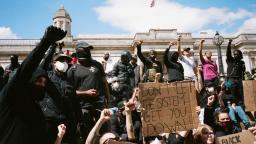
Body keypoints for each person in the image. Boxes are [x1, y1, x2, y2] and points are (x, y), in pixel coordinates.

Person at [0, 26, 67, 144]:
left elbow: (42, 67)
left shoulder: (36, 109)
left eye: (44, 83)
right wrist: (45, 43)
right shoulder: (10, 98)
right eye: (38, 81)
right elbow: (26, 69)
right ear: (28, 81)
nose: (41, 85)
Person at [67, 41, 110, 143]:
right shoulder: (72, 70)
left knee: (104, 131)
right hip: (83, 107)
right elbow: (69, 92)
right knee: (86, 133)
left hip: (99, 105)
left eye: (88, 50)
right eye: (85, 50)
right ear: (78, 52)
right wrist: (86, 93)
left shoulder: (97, 65)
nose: (88, 52)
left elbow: (105, 83)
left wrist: (108, 98)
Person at [40, 46, 82, 144]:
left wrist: (80, 121)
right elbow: (40, 67)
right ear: (54, 63)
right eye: (61, 60)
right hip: (49, 121)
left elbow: (75, 102)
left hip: (66, 122)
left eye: (66, 61)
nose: (64, 63)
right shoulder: (47, 76)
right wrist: (51, 49)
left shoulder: (70, 80)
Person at [226, 39, 246, 105]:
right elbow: (228, 53)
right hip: (230, 79)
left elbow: (243, 73)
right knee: (229, 92)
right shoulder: (230, 60)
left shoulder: (242, 62)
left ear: (240, 55)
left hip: (239, 79)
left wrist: (243, 80)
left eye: (237, 54)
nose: (235, 55)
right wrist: (229, 43)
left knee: (240, 94)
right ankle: (230, 104)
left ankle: (240, 105)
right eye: (234, 54)